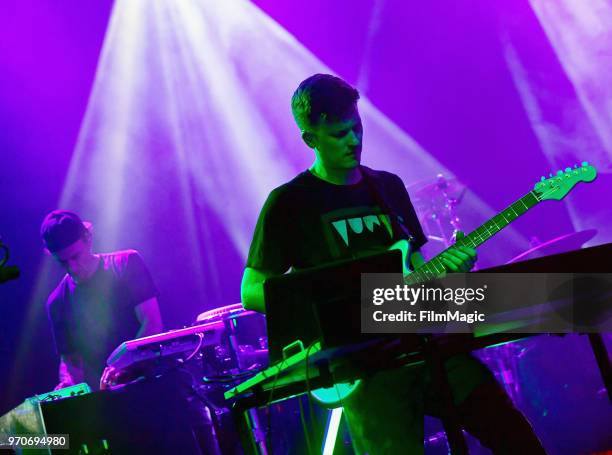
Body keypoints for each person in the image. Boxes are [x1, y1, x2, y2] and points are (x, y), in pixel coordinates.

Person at [241, 74, 545, 453]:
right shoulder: (289, 203)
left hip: (423, 344)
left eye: (356, 127)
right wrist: (328, 312)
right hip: (363, 370)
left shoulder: (387, 186)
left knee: (514, 435)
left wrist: (451, 273)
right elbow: (252, 290)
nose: (353, 141)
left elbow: (415, 267)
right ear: (310, 139)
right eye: (338, 134)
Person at [42, 210, 163, 390]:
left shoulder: (127, 263)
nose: (72, 267)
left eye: (75, 256)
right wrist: (68, 385)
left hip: (155, 380)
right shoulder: (57, 301)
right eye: (63, 262)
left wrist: (122, 366)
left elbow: (152, 322)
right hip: (110, 396)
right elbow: (70, 360)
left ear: (88, 238)